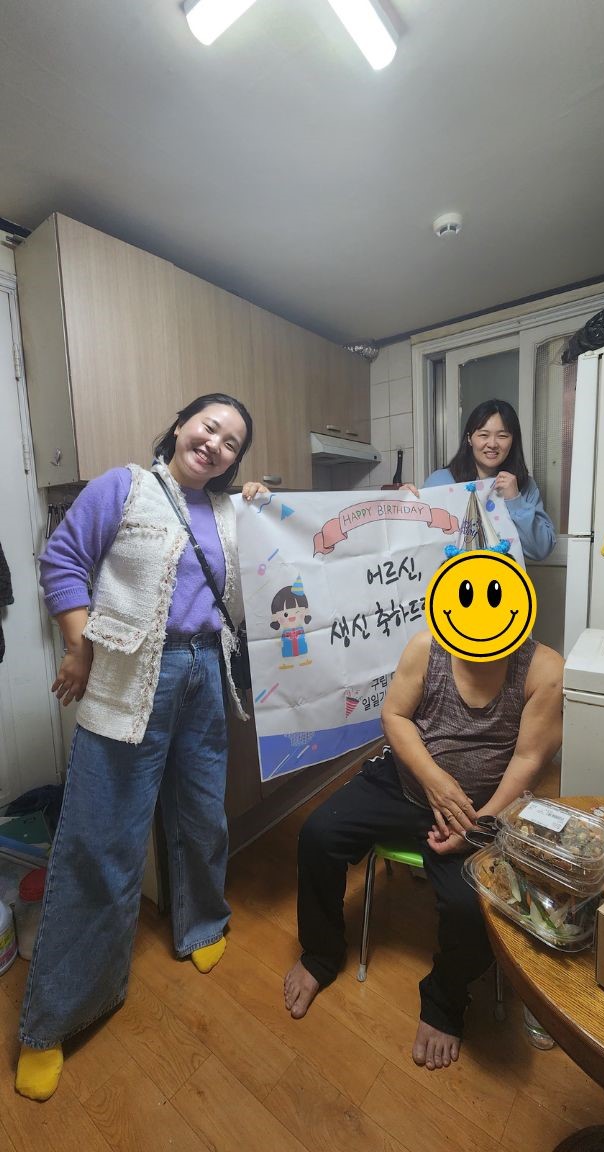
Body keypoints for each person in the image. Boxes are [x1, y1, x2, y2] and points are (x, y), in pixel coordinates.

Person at [16, 393, 268, 1101]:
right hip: (130, 675)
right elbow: (62, 561)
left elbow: (290, 554)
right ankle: (53, 1018)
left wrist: (263, 502)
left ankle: (203, 923)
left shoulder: (228, 511)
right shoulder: (123, 486)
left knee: (201, 813)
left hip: (205, 675)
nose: (215, 443)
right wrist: (79, 647)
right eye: (208, 427)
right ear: (181, 426)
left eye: (232, 442)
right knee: (100, 838)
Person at [283, 627, 563, 1071]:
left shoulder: (543, 669)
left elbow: (529, 758)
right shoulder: (427, 647)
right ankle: (320, 954)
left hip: (481, 809)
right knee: (318, 835)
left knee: (474, 908)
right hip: (405, 784)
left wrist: (477, 824)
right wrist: (435, 782)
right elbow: (394, 715)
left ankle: (445, 1000)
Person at [404, 399, 556, 561]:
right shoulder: (440, 481)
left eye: (502, 436)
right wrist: (405, 504)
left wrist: (515, 500)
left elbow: (541, 550)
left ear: (513, 440)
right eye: (483, 435)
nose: (492, 444)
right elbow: (412, 541)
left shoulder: (524, 485)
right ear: (469, 439)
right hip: (451, 576)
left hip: (501, 576)